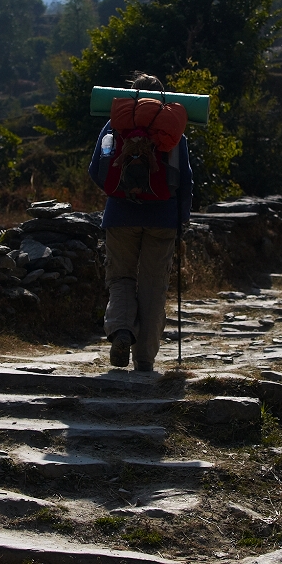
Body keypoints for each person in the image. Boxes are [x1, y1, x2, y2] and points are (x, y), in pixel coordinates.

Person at [87, 73, 193, 372]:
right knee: (153, 286)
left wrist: (120, 193)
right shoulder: (174, 131)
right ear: (163, 98)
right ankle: (144, 359)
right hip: (163, 218)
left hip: (120, 216)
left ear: (131, 96)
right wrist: (181, 220)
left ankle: (122, 330)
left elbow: (96, 170)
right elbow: (185, 181)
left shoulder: (114, 127)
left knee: (121, 278)